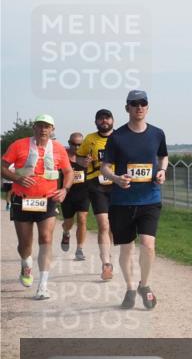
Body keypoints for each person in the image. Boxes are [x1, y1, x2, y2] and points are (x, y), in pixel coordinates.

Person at [101, 91, 168, 310]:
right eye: (134, 104)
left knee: (148, 245)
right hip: (122, 201)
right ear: (127, 108)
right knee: (127, 249)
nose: (139, 107)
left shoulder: (157, 134)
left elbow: (163, 156)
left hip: (149, 198)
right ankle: (130, 287)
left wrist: (162, 171)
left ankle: (145, 285)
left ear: (147, 107)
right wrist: (116, 179)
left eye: (143, 103)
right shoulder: (116, 137)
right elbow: (105, 167)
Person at [1, 115, 74, 300]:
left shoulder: (58, 149)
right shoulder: (18, 145)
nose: (43, 129)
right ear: (34, 128)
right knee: (25, 244)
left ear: (52, 129)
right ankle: (26, 264)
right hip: (22, 199)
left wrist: (65, 189)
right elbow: (2, 166)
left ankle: (43, 285)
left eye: (47, 126)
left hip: (48, 200)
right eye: (40, 126)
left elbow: (68, 171)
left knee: (46, 238)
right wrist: (17, 178)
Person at [79, 109, 117, 281]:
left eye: (107, 118)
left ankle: (109, 253)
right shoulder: (90, 139)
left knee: (113, 227)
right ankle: (106, 264)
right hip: (96, 184)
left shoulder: (121, 137)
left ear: (112, 120)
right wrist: (83, 162)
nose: (104, 121)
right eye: (100, 118)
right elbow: (78, 158)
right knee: (103, 224)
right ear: (96, 121)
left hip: (117, 184)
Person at [59, 132, 90, 261]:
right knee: (68, 222)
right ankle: (66, 233)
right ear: (69, 142)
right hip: (67, 193)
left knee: (82, 219)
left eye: (79, 144)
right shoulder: (63, 156)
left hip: (83, 193)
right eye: (73, 144)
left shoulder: (87, 157)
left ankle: (79, 249)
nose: (76, 147)